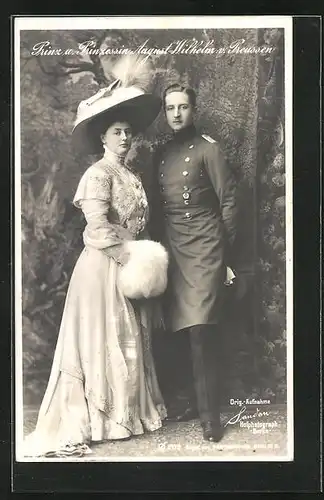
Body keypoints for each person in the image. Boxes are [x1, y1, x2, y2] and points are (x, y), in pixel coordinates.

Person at [23, 56, 167, 457]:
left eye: (128, 133)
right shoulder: (98, 174)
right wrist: (128, 258)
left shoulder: (131, 176)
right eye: (118, 133)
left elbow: (140, 225)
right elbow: (96, 227)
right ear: (103, 138)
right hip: (103, 267)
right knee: (104, 338)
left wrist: (145, 264)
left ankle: (128, 412)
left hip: (129, 265)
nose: (125, 139)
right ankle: (103, 416)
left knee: (131, 337)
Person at [149, 83, 238, 442]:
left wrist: (224, 257)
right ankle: (185, 403)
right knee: (175, 331)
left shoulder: (208, 151)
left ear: (193, 110)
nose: (176, 114)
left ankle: (210, 418)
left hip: (205, 248)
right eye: (170, 108)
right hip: (174, 248)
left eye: (183, 107)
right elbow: (157, 208)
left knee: (201, 330)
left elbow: (229, 203)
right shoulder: (161, 155)